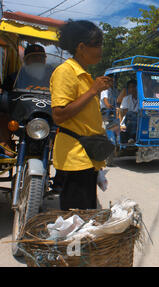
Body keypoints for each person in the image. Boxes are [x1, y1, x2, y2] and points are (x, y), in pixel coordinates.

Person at [50, 20, 112, 210]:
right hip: (74, 159)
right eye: (97, 45)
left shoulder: (84, 74)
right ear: (81, 47)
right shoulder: (65, 72)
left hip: (86, 157)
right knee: (77, 221)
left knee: (85, 216)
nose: (101, 50)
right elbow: (59, 115)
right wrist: (93, 91)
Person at [0, 44, 48, 157]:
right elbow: (5, 93)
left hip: (45, 118)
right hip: (21, 119)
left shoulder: (53, 77)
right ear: (26, 60)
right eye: (33, 58)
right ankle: (5, 142)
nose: (37, 60)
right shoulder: (14, 77)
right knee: (2, 110)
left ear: (45, 60)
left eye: (40, 57)